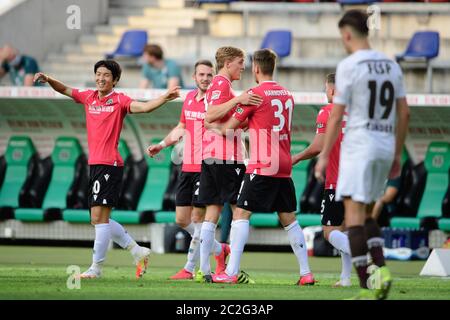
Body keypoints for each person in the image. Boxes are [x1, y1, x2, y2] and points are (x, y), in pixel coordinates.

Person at [34, 60, 180, 279]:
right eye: (98, 74)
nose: (101, 78)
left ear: (115, 80)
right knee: (97, 219)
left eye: (106, 75)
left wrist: (164, 98)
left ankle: (96, 268)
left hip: (110, 164)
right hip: (95, 164)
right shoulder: (88, 97)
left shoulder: (119, 101)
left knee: (99, 219)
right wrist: (48, 79)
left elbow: (144, 107)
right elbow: (64, 89)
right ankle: (137, 251)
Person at [315, 10, 410, 299]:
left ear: (346, 34)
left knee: (352, 218)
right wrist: (396, 154)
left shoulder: (349, 65)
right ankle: (380, 269)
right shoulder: (391, 65)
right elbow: (404, 112)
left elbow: (336, 117)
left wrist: (323, 156)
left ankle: (367, 283)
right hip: (383, 145)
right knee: (368, 213)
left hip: (359, 144)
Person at [211, 49, 315, 285]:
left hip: (263, 163)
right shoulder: (287, 95)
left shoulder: (254, 94)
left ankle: (231, 272)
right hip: (284, 163)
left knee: (240, 214)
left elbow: (229, 129)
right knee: (289, 219)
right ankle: (306, 273)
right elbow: (265, 119)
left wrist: (212, 127)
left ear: (256, 69)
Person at [146, 60, 226, 280]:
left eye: (210, 75)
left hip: (207, 166)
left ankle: (190, 268)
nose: (205, 78)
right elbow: (181, 127)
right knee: (182, 219)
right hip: (187, 165)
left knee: (199, 218)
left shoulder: (216, 101)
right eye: (201, 74)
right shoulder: (189, 98)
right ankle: (219, 250)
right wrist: (161, 144)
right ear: (194, 77)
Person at [197, 46, 263, 282]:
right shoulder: (221, 84)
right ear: (227, 64)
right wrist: (240, 99)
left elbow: (216, 118)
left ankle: (205, 271)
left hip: (213, 155)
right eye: (240, 62)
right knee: (241, 211)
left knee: (212, 212)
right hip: (225, 157)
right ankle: (231, 271)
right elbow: (211, 114)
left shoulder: (224, 86)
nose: (243, 67)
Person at [292, 73, 352, 287]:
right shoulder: (355, 113)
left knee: (329, 232)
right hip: (357, 182)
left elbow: (318, 146)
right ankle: (345, 278)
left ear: (333, 90)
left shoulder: (327, 112)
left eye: (326, 88)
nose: (326, 92)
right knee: (343, 229)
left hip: (336, 182)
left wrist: (297, 157)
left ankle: (364, 254)